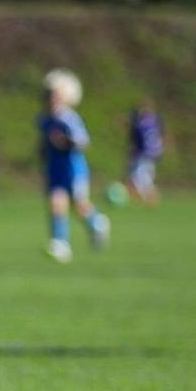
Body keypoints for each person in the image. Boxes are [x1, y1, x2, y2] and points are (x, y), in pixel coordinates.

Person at [38, 67, 109, 262]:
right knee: (56, 203)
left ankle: (96, 223)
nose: (51, 99)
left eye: (55, 95)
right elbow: (44, 143)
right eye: (49, 95)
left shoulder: (69, 118)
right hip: (55, 169)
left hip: (73, 169)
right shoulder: (45, 119)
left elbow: (83, 142)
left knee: (80, 206)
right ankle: (60, 244)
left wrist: (66, 142)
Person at [124, 100, 164, 205]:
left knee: (138, 182)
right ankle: (147, 200)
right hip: (154, 155)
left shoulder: (140, 124)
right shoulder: (156, 121)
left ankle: (152, 200)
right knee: (140, 180)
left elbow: (136, 140)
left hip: (144, 155)